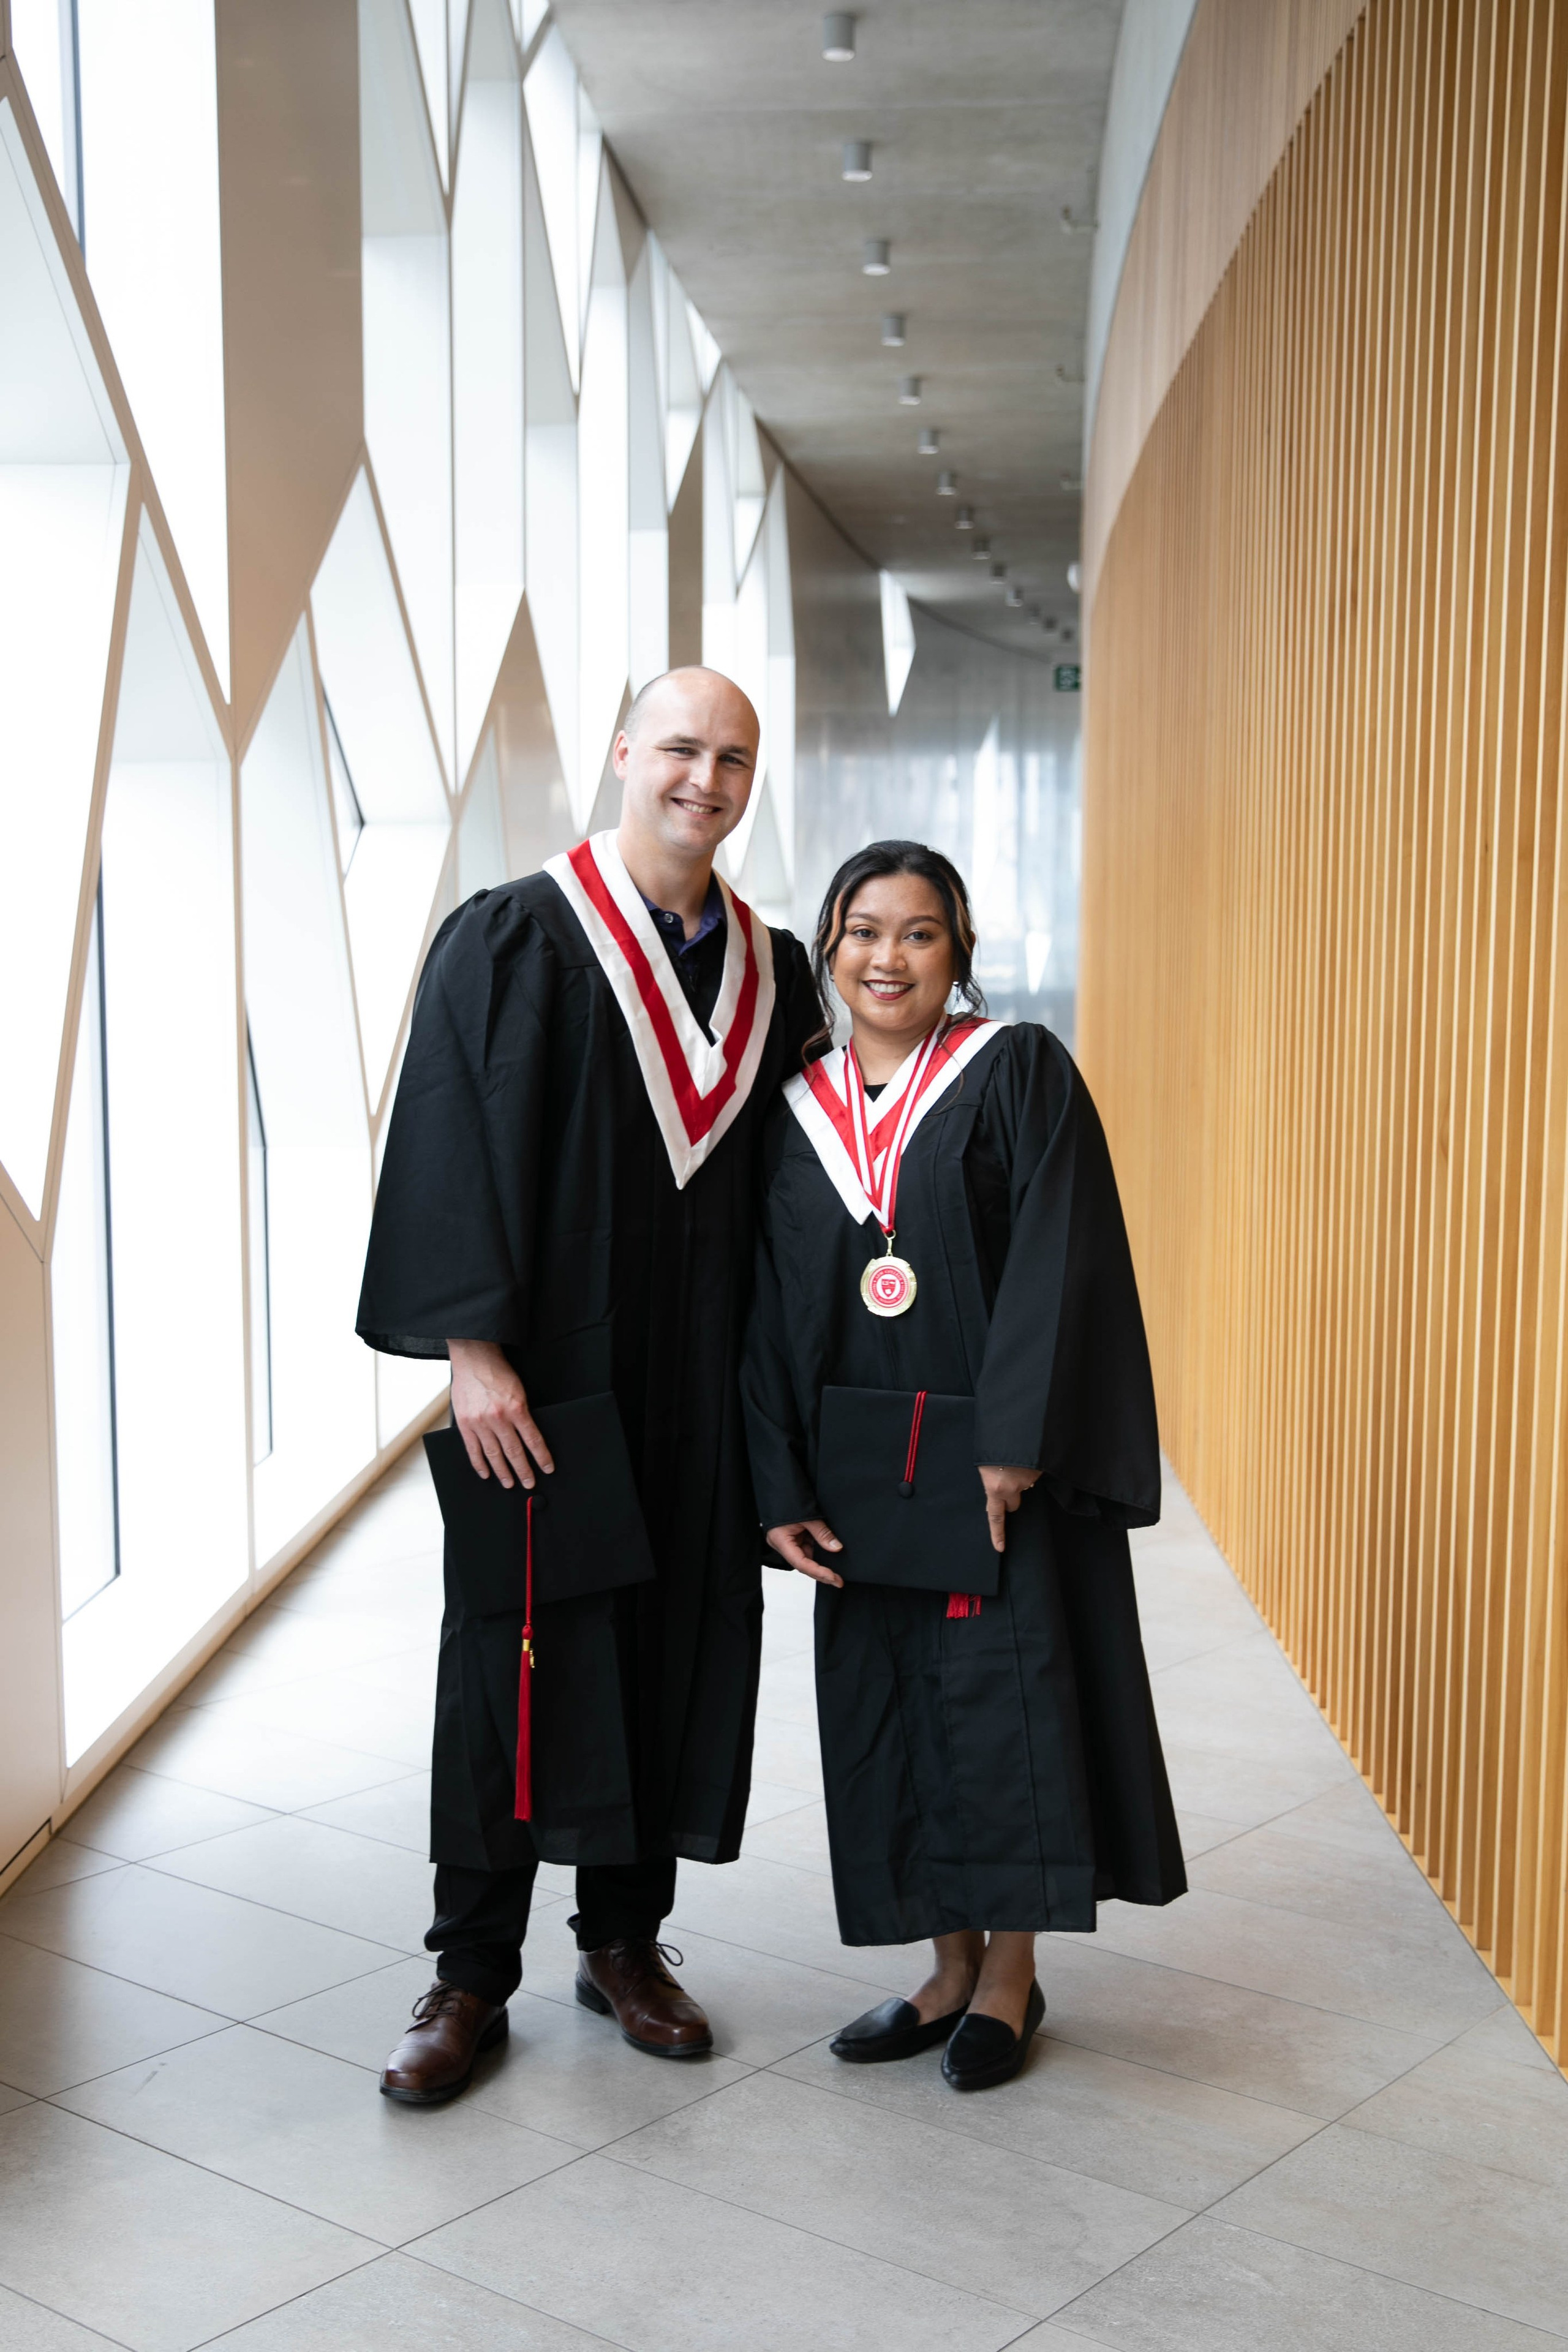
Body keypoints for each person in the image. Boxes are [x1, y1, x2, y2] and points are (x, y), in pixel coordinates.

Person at [358, 667, 821, 2104]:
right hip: (547, 1378)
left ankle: (624, 1938)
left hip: (702, 1376)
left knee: (672, 1640)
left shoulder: (773, 968)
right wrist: (471, 1354)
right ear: (624, 751)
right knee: (513, 1659)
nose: (704, 777)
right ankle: (467, 1972)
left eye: (732, 758)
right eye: (681, 746)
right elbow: (446, 1140)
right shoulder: (512, 938)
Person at [742, 840, 1185, 2092]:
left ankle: (1009, 1978)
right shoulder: (795, 1113)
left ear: (960, 953)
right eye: (863, 931)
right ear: (827, 948)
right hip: (861, 1472)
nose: (888, 958)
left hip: (994, 1468)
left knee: (1007, 1708)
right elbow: (768, 1310)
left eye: (918, 933)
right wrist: (777, 1485)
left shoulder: (1014, 1071)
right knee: (888, 1706)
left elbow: (1061, 1255)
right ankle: (943, 1965)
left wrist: (1012, 1440)